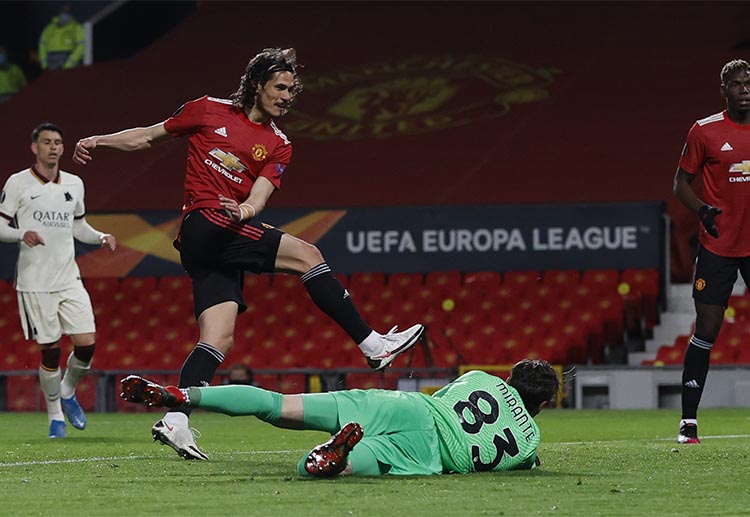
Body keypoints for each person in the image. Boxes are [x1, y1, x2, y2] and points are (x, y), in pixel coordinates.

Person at [73, 47, 424, 460]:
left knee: (217, 338)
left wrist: (244, 211)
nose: (287, 96)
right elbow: (148, 136)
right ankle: (372, 345)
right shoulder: (207, 109)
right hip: (204, 224)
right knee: (308, 255)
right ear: (257, 85)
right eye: (280, 87)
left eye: (292, 90)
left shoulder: (278, 144)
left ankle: (176, 420)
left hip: (220, 236)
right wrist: (99, 140)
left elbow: (258, 197)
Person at [121, 358, 560, 476]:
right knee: (318, 468)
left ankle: (183, 394)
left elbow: (450, 399)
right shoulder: (529, 443)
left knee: (278, 405)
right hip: (426, 449)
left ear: (508, 378)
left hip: (403, 405)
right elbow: (522, 458)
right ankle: (335, 457)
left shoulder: (480, 378)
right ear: (541, 405)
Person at [0, 123, 116, 438]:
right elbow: (0, 226)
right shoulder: (18, 183)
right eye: (47, 142)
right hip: (35, 282)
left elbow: (78, 226)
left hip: (69, 278)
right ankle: (55, 417)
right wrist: (22, 233)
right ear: (34, 147)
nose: (53, 147)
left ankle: (66, 391)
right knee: (50, 351)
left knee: (87, 344)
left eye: (57, 143)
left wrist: (100, 236)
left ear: (63, 149)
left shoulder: (75, 184)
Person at [672, 58, 750, 444]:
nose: (745, 90)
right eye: (736, 84)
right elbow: (680, 183)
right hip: (718, 245)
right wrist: (702, 210)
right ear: (724, 90)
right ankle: (688, 422)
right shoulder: (704, 131)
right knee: (706, 329)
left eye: (749, 83)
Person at [39, 4, 85, 71]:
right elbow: (42, 46)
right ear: (59, 13)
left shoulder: (77, 27)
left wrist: (69, 64)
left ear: (71, 14)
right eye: (63, 12)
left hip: (69, 66)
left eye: (67, 13)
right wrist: (44, 65)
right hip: (50, 65)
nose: (65, 15)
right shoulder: (49, 28)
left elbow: (81, 46)